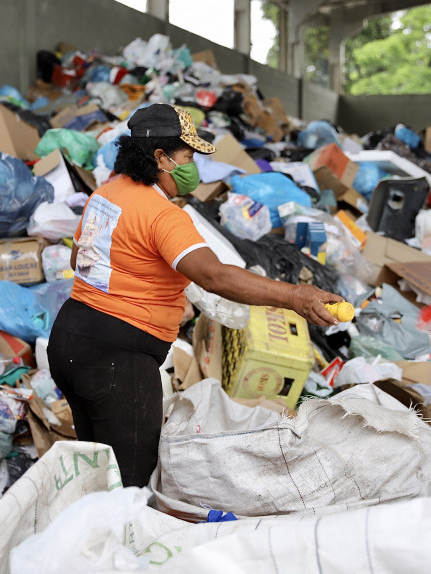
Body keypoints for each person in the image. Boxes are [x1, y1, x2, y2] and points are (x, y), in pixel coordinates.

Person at [48, 103, 343, 486]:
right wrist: (296, 296)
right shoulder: (163, 215)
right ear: (160, 157)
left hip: (71, 342)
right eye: (188, 157)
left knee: (95, 471)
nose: (194, 169)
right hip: (117, 362)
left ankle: (85, 540)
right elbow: (214, 275)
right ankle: (118, 544)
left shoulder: (106, 194)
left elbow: (80, 257)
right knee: (130, 483)